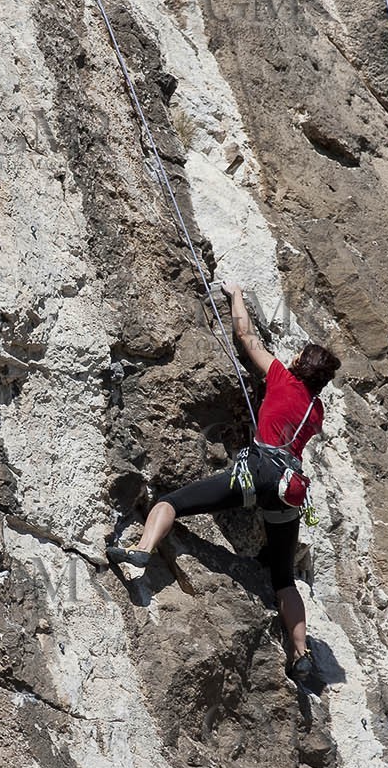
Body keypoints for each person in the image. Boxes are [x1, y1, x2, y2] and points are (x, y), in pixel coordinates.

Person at [108, 284, 340, 681]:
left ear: (300, 364)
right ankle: (301, 653)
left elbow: (245, 336)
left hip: (259, 472)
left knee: (170, 503)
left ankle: (141, 552)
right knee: (284, 578)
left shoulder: (282, 378)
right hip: (289, 489)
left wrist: (235, 296)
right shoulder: (316, 411)